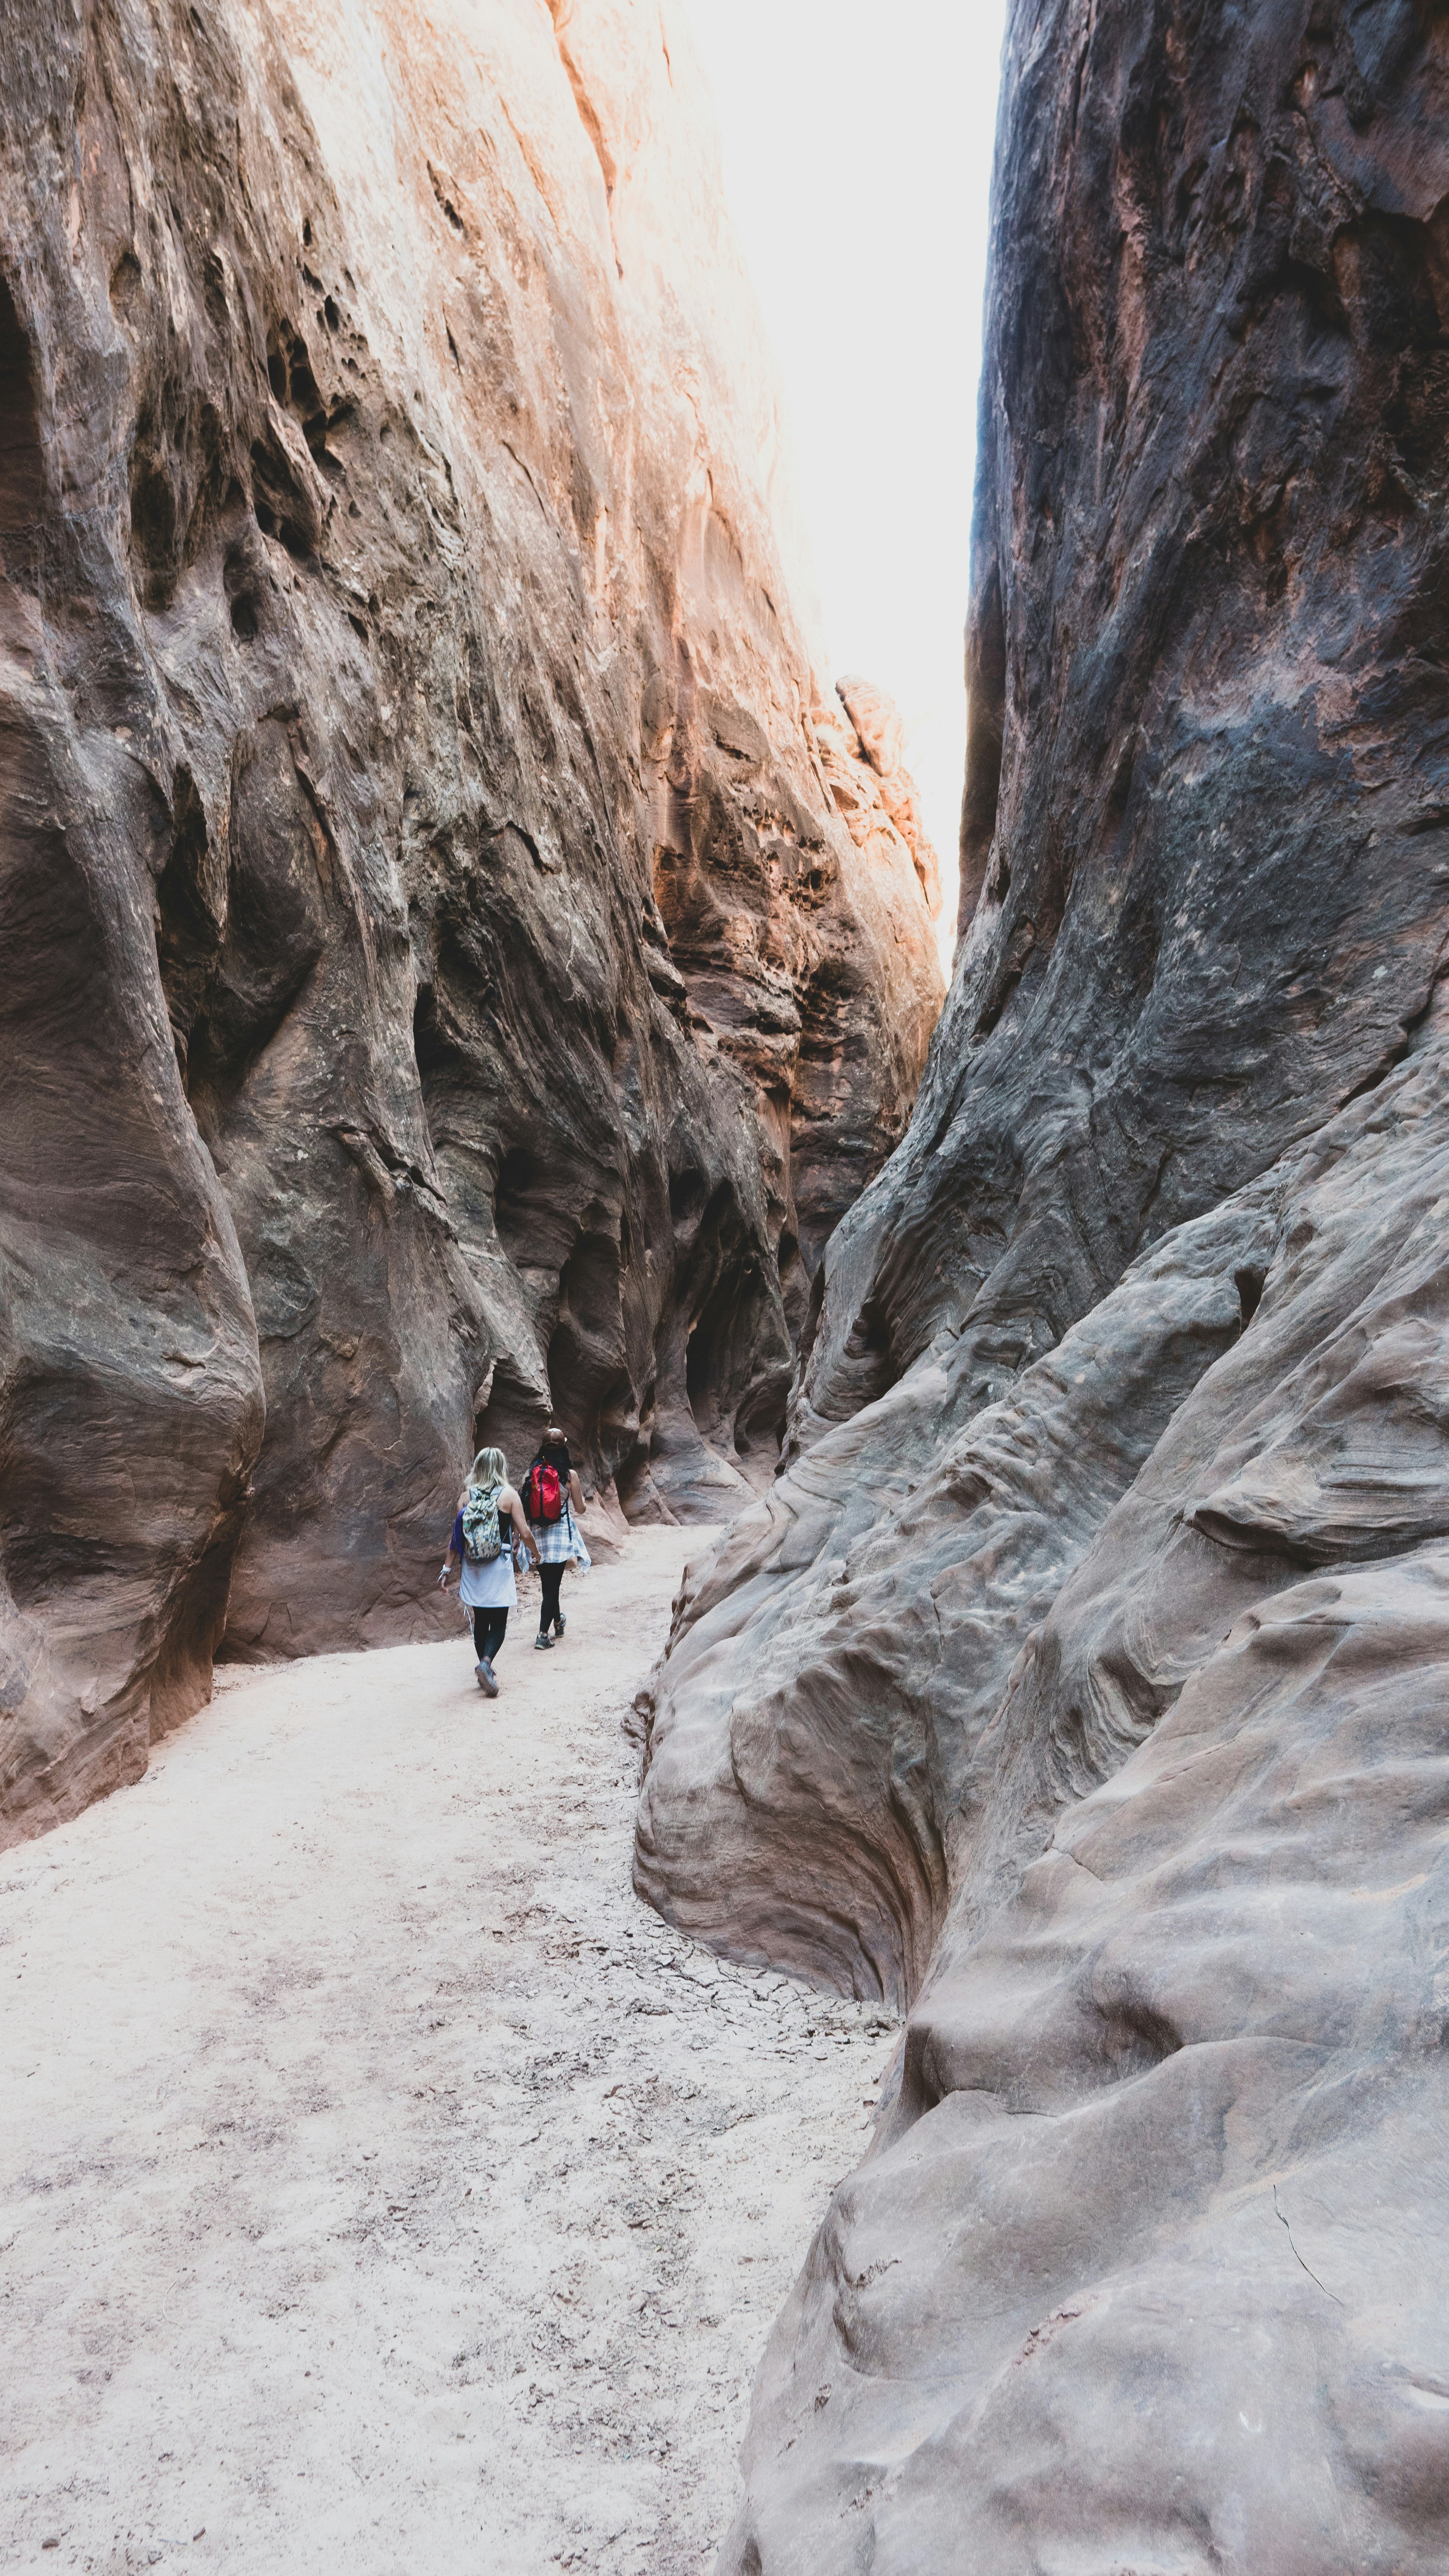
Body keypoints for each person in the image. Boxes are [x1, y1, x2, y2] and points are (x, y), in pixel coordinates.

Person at [437, 1446, 540, 1696]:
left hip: (473, 1566)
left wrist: (447, 1568)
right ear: (501, 1468)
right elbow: (524, 1532)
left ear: (478, 1468)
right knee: (500, 1623)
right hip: (499, 1564)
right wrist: (537, 1555)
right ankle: (486, 1663)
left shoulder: (465, 1497)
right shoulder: (509, 1496)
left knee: (481, 1619)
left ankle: (486, 1667)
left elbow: (456, 1537)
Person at [522, 1425, 589, 1649]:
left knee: (548, 1584)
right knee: (553, 1586)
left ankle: (558, 1622)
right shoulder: (569, 1475)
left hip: (538, 1534)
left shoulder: (533, 1471)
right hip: (559, 1533)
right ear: (564, 1448)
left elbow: (524, 1502)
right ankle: (542, 1634)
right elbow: (580, 1509)